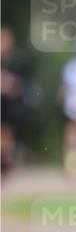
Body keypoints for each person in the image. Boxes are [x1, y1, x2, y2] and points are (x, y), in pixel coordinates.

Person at [1, 27, 29, 175]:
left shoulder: (16, 62)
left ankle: (7, 166)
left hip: (9, 106)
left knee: (6, 136)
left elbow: (19, 85)